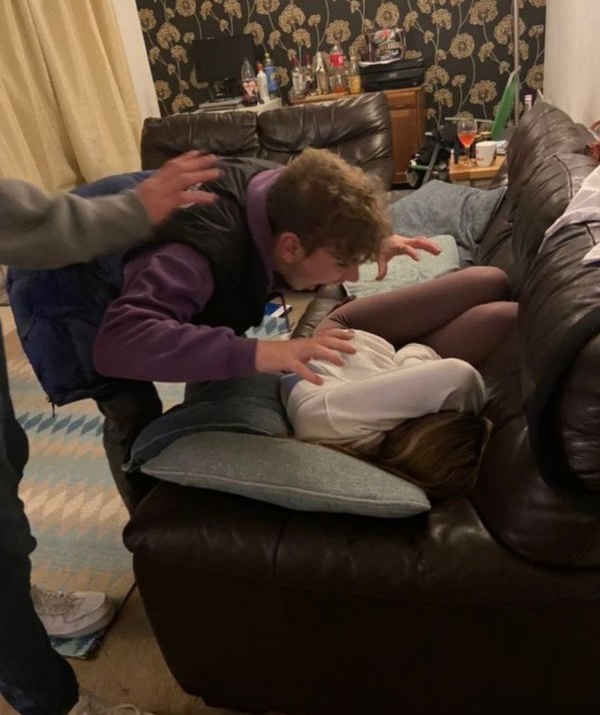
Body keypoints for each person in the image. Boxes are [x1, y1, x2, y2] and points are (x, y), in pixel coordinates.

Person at [0, 150, 220, 715]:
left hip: (49, 246)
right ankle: (52, 703)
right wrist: (132, 211)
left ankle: (17, 602)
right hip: (55, 281)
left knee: (8, 458)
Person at [93, 148, 440, 387]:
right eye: (342, 263)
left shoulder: (286, 192)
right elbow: (120, 343)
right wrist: (265, 351)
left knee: (220, 354)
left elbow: (331, 215)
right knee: (127, 400)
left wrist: (368, 242)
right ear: (290, 247)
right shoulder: (190, 258)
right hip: (83, 283)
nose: (351, 276)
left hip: (155, 254)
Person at [281, 266, 517, 498]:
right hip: (397, 360)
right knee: (508, 316)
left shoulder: (329, 420)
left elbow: (459, 375)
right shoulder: (395, 443)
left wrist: (416, 364)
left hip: (346, 333)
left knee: (490, 281)